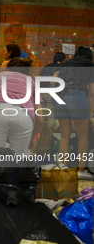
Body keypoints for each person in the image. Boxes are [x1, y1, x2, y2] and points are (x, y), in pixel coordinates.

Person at [51, 46, 94, 179]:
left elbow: (53, 81)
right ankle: (81, 171)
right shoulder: (90, 65)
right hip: (77, 95)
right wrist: (91, 115)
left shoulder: (67, 63)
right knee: (83, 136)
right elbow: (92, 92)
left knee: (65, 135)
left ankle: (63, 167)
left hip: (60, 96)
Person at [0, 57, 43, 156]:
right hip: (23, 115)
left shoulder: (0, 76)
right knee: (18, 160)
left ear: (8, 69)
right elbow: (40, 119)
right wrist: (32, 137)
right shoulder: (32, 83)